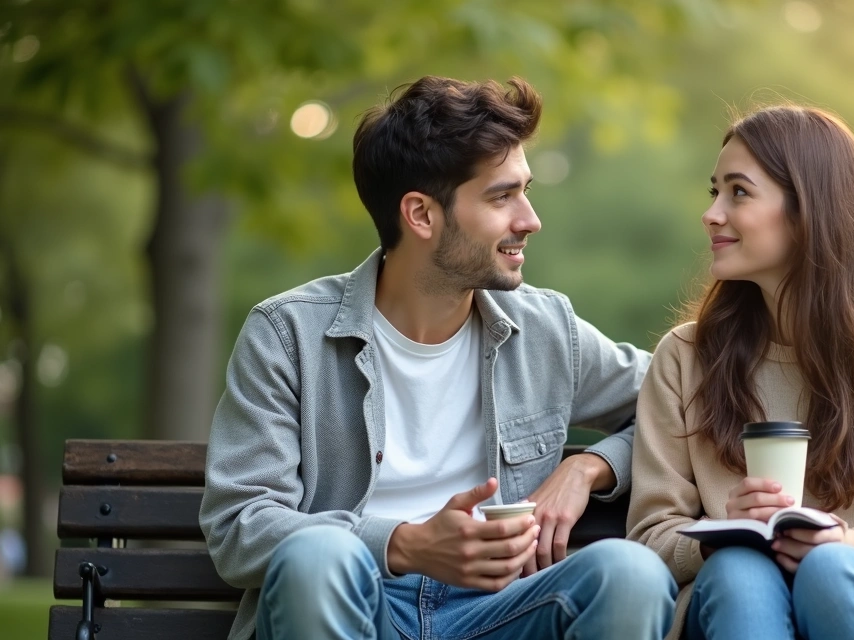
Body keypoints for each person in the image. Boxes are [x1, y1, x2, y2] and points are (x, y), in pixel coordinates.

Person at [200, 75, 675, 640]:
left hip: (501, 610)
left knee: (630, 574)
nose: (529, 219)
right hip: (360, 602)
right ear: (421, 215)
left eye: (526, 191)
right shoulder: (287, 335)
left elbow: (683, 399)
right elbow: (240, 526)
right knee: (316, 557)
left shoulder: (546, 329)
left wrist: (591, 467)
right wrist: (405, 544)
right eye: (502, 196)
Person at [626, 104, 854, 640]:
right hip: (738, 603)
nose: (711, 214)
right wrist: (719, 533)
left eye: (739, 192)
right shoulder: (685, 357)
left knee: (831, 571)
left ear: (808, 212)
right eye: (715, 192)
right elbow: (650, 536)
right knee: (737, 569)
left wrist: (845, 544)